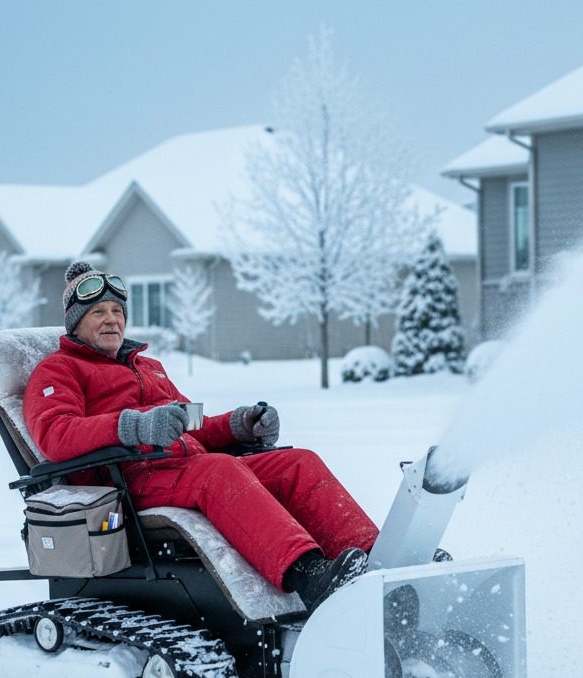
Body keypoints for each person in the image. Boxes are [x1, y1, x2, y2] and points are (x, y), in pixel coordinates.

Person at [24, 261, 378, 611]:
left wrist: (238, 425)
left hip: (183, 466)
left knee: (298, 462)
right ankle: (310, 575)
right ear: (75, 322)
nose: (112, 319)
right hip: (129, 480)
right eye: (98, 311)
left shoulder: (147, 367)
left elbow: (190, 422)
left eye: (117, 310)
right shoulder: (59, 369)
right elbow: (56, 434)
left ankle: (374, 557)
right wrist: (134, 425)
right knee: (218, 471)